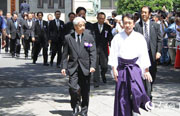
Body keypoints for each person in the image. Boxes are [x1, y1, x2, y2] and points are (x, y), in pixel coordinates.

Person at [109, 13, 153, 116]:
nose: (127, 25)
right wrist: (114, 69)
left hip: (135, 68)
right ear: (122, 24)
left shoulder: (139, 37)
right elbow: (113, 55)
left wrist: (146, 70)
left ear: (133, 24)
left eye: (129, 23)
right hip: (122, 69)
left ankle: (136, 110)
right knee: (122, 95)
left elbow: (144, 55)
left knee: (136, 91)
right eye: (125, 23)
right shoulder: (117, 38)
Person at [61, 17, 96, 116]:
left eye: (84, 25)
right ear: (75, 26)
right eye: (81, 26)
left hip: (86, 67)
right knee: (73, 88)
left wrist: (93, 66)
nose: (83, 27)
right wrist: (64, 67)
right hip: (73, 67)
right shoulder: (68, 38)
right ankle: (75, 106)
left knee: (85, 91)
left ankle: (84, 110)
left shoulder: (89, 37)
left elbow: (93, 52)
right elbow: (65, 54)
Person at [134, 6, 162, 100]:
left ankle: (148, 89)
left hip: (152, 54)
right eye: (142, 12)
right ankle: (146, 94)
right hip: (141, 56)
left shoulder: (156, 25)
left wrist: (158, 51)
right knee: (142, 74)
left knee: (152, 73)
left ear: (149, 14)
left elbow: (159, 40)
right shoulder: (137, 26)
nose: (143, 14)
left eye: (145, 12)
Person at [93, 12, 113, 87]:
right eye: (100, 18)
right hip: (94, 48)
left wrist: (112, 45)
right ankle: (96, 81)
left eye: (103, 18)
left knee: (104, 66)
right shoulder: (93, 26)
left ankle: (103, 74)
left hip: (104, 49)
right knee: (95, 66)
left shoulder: (107, 27)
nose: (101, 20)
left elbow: (110, 37)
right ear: (97, 18)